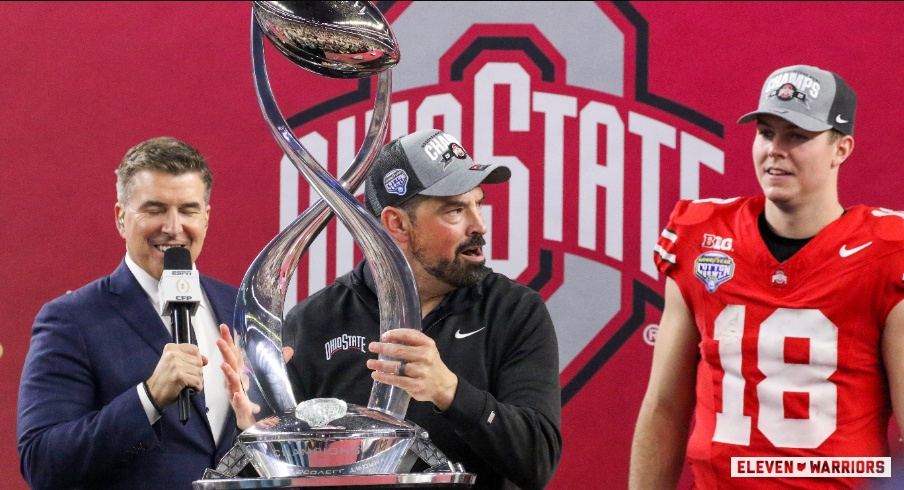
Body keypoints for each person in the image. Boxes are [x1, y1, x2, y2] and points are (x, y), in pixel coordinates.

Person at [219, 129, 562, 489]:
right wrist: (255, 433)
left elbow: (537, 463)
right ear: (397, 224)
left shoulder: (514, 312)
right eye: (455, 210)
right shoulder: (313, 322)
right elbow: (271, 475)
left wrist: (450, 391)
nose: (480, 226)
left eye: (478, 203)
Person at [629, 65, 904, 488]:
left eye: (797, 135)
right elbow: (664, 408)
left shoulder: (887, 252)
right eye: (765, 131)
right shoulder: (700, 235)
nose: (775, 149)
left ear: (841, 149)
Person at [17, 137, 239, 490]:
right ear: (121, 218)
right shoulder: (71, 320)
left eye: (188, 210)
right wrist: (148, 398)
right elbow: (42, 461)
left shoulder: (240, 307)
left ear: (206, 217)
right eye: (154, 209)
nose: (173, 226)